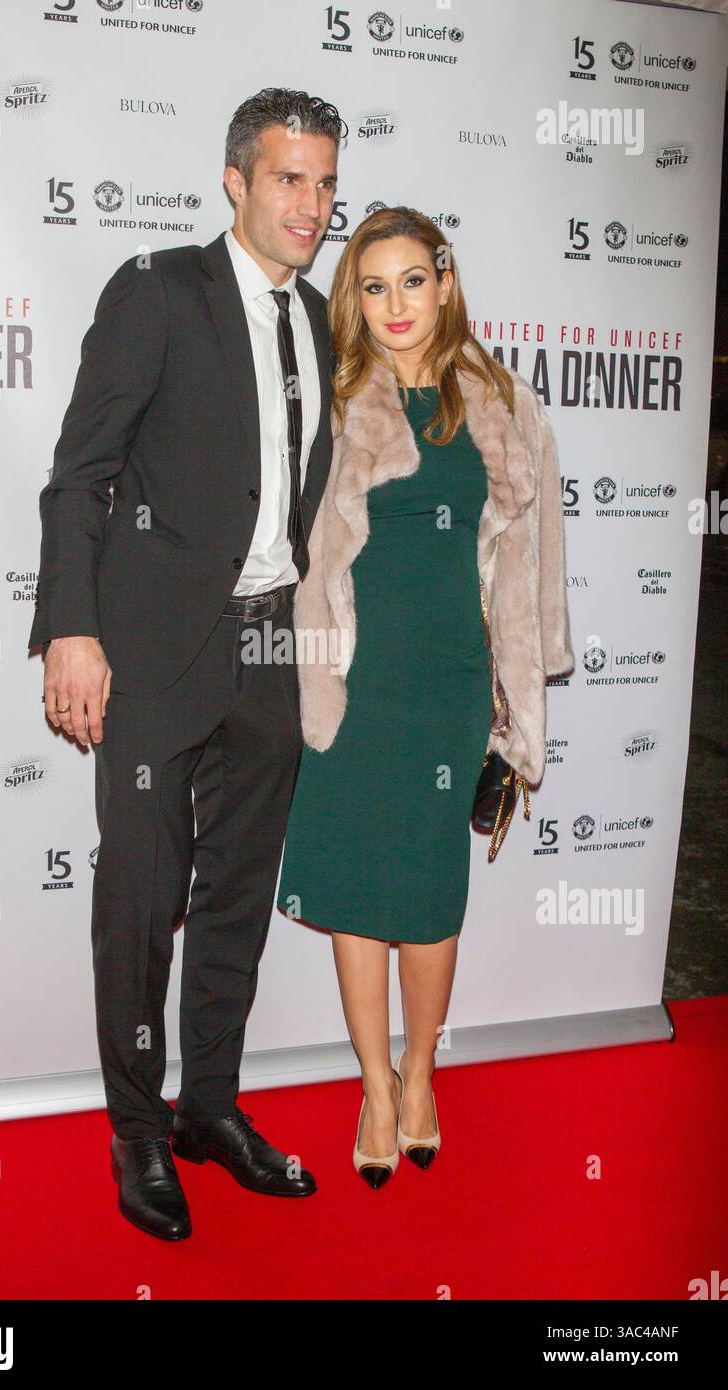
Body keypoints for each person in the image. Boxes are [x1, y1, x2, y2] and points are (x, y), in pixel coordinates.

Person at [28, 88, 344, 1239]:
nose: (307, 205)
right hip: (154, 646)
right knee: (142, 896)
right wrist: (73, 628)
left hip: (269, 639)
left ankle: (210, 1107)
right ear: (235, 180)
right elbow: (80, 474)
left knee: (235, 900)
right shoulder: (157, 290)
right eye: (285, 180)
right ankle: (134, 1127)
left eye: (321, 184)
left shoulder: (319, 319)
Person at [276, 206, 575, 1188]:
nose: (394, 303)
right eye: (372, 285)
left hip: (448, 680)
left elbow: (532, 567)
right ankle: (371, 1082)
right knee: (360, 895)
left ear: (443, 285)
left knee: (430, 895)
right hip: (350, 682)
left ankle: (418, 1070)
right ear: (351, 302)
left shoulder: (497, 405)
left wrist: (520, 696)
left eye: (412, 280)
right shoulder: (324, 402)